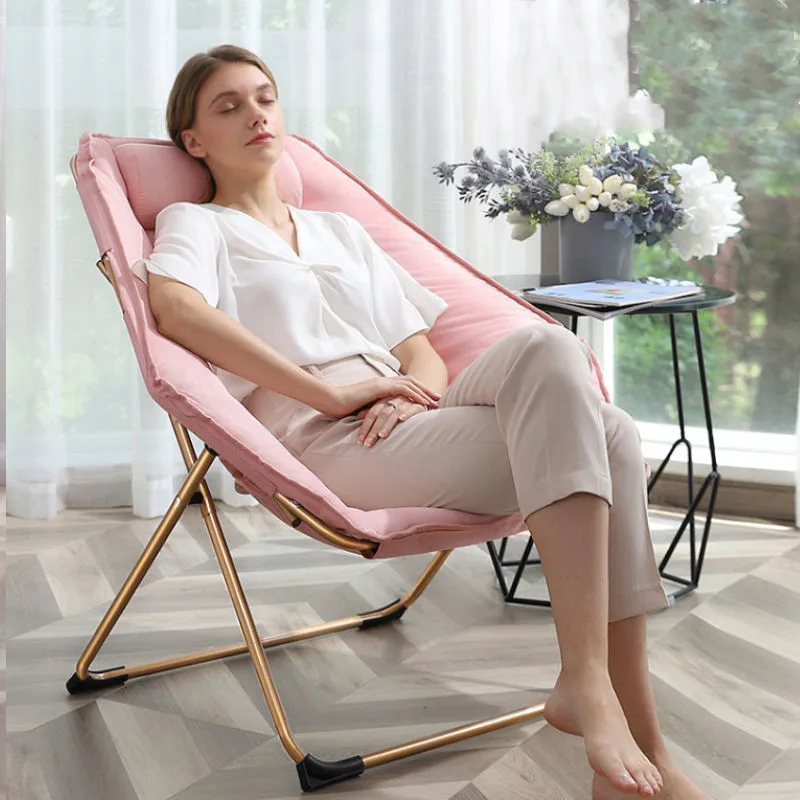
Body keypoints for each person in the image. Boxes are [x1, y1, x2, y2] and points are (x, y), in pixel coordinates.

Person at [134, 44, 712, 800]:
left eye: (265, 97)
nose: (256, 114)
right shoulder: (194, 223)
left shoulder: (338, 232)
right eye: (229, 105)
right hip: (326, 437)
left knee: (561, 365)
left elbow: (419, 352)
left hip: (404, 411)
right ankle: (630, 734)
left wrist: (409, 396)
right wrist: (330, 397)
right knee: (610, 437)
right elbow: (176, 311)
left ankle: (602, 704)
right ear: (193, 140)